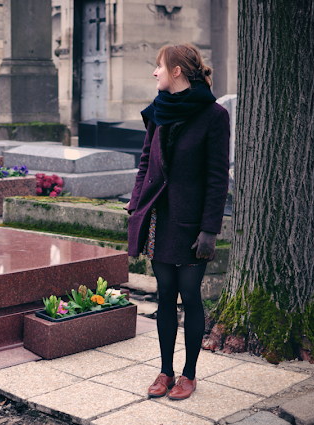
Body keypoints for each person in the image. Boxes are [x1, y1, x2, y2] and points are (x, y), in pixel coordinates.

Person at [126, 44, 230, 400]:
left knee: (190, 297)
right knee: (164, 296)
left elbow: (218, 177)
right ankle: (165, 371)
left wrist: (210, 230)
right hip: (158, 216)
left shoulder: (214, 116)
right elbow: (145, 162)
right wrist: (136, 205)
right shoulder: (158, 111)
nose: (154, 73)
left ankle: (189, 374)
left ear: (177, 72)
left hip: (191, 222)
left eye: (159, 67)